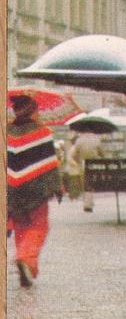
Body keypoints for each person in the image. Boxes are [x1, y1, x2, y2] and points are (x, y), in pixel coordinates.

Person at [7, 94, 64, 287]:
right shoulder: (42, 132)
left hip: (11, 191)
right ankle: (25, 258)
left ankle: (29, 270)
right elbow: (49, 164)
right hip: (36, 190)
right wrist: (57, 188)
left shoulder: (6, 131)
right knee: (39, 226)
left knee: (21, 227)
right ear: (32, 111)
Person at [71, 129, 104, 211]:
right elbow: (102, 154)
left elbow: (74, 154)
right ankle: (90, 202)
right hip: (96, 164)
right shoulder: (97, 139)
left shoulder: (79, 140)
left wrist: (78, 161)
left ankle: (87, 204)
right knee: (92, 183)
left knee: (86, 184)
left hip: (84, 164)